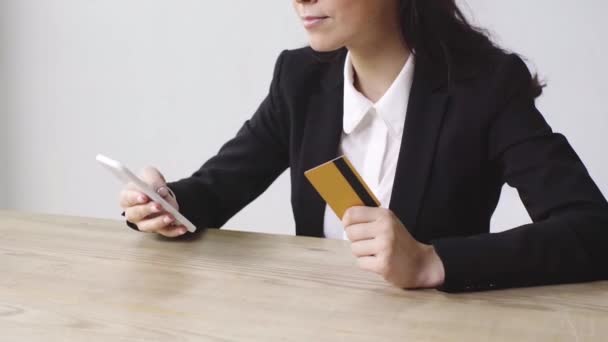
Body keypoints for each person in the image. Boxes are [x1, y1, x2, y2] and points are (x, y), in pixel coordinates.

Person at [119, 0, 608, 292]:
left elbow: (593, 232)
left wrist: (432, 262)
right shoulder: (300, 79)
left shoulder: (485, 88)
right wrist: (165, 205)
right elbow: (217, 190)